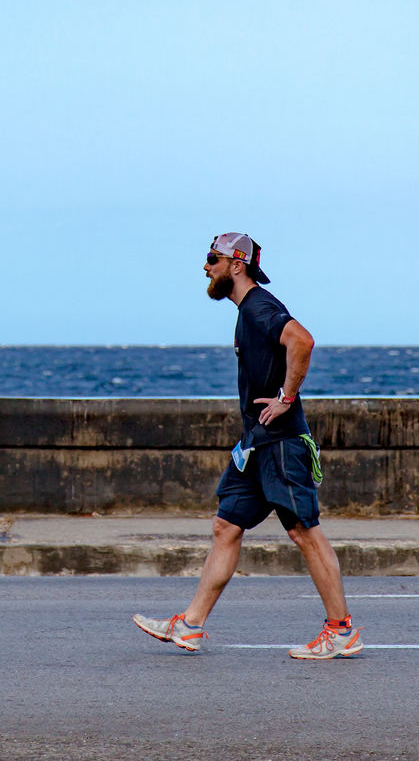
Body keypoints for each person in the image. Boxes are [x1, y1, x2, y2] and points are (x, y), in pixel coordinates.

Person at [132, 233, 363, 660]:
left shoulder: (259, 307)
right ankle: (191, 625)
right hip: (255, 444)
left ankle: (341, 631)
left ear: (236, 265)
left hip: (280, 443)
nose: (206, 267)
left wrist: (286, 398)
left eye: (212, 259)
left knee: (304, 532)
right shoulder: (247, 312)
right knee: (226, 526)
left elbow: (302, 340)